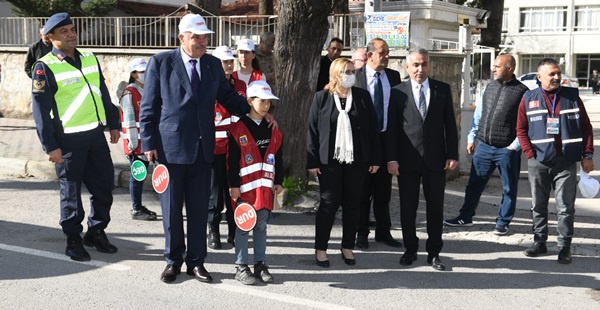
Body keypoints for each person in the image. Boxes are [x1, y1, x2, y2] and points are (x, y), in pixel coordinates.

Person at [139, 14, 254, 284]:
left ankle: (196, 262)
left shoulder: (213, 65)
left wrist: (254, 112)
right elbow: (149, 106)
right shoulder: (161, 62)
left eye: (205, 38)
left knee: (199, 209)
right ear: (181, 38)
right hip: (170, 149)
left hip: (204, 150)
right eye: (196, 37)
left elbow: (226, 97)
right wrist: (148, 143)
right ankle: (173, 261)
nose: (202, 42)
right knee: (171, 210)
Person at [31, 12, 121, 262]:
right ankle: (73, 239)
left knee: (104, 188)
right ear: (50, 37)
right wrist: (50, 145)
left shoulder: (89, 58)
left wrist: (113, 123)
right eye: (64, 32)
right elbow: (40, 110)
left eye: (72, 29)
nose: (71, 34)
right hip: (67, 140)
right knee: (71, 193)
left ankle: (96, 231)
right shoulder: (45, 66)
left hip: (95, 135)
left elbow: (102, 91)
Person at [386, 47, 458, 271]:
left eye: (424, 64)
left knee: (435, 207)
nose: (420, 69)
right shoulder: (397, 92)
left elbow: (450, 126)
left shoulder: (442, 90)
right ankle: (410, 249)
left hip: (436, 160)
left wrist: (452, 155)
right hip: (407, 160)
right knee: (408, 207)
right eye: (415, 64)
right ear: (407, 67)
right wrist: (391, 158)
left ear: (429, 65)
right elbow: (392, 130)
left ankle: (434, 252)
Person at [516, 58, 594, 264]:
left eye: (558, 73)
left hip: (566, 161)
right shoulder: (528, 98)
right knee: (538, 205)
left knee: (566, 207)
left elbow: (586, 128)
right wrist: (529, 153)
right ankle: (539, 242)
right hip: (538, 161)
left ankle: (564, 247)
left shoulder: (572, 97)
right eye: (551, 74)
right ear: (539, 77)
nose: (557, 77)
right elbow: (521, 129)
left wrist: (587, 155)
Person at [307, 58, 381, 268]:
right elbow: (312, 131)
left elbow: (372, 130)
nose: (350, 75)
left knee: (352, 203)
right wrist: (312, 160)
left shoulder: (363, 97)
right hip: (328, 161)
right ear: (335, 74)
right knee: (329, 203)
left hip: (357, 160)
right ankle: (321, 249)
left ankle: (347, 246)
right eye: (345, 72)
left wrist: (375, 158)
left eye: (352, 71)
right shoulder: (322, 97)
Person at [444, 54, 529, 235]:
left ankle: (503, 222)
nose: (493, 69)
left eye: (497, 66)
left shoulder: (523, 92)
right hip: (484, 146)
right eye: (494, 65)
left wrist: (513, 147)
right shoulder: (489, 87)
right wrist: (471, 137)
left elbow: (526, 123)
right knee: (474, 184)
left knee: (508, 188)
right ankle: (465, 217)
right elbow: (479, 114)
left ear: (510, 68)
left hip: (506, 149)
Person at [228, 80, 283, 285]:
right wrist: (234, 185)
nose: (266, 105)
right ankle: (241, 266)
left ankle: (260, 264)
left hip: (265, 189)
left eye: (269, 102)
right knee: (243, 228)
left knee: (261, 227)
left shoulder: (272, 129)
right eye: (262, 101)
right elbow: (232, 161)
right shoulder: (237, 129)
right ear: (250, 101)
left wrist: (278, 181)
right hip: (244, 190)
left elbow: (279, 156)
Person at [354, 38, 402, 249]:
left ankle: (383, 232)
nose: (386, 56)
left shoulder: (393, 76)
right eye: (382, 53)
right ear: (370, 55)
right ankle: (361, 233)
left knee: (383, 192)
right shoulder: (356, 78)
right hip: (363, 143)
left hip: (385, 140)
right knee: (363, 191)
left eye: (387, 52)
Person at [206, 45, 242, 249]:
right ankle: (213, 231)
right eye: (224, 61)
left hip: (235, 150)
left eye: (230, 61)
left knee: (235, 193)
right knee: (215, 194)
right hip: (215, 152)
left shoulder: (240, 87)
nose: (228, 65)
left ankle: (234, 230)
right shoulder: (209, 88)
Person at [119, 57, 157, 221]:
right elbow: (128, 120)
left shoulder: (150, 90)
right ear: (134, 74)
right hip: (136, 144)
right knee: (138, 176)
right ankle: (136, 208)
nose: (146, 74)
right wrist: (133, 145)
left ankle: (140, 206)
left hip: (150, 142)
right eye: (142, 72)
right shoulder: (129, 93)